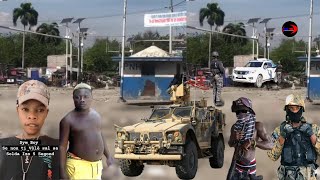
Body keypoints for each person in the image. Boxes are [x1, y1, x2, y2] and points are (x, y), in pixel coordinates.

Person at [0, 80, 59, 180]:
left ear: (46, 113)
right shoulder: (2, 147)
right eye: (25, 109)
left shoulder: (57, 149)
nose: (32, 116)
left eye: (40, 110)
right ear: (18, 110)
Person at [59, 83, 113, 180]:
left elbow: (100, 135)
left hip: (96, 167)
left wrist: (108, 156)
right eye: (78, 97)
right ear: (73, 99)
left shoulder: (96, 115)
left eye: (85, 96)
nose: (82, 100)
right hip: (78, 166)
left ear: (91, 97)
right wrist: (62, 171)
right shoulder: (67, 120)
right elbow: (62, 146)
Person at [267, 94, 320, 180]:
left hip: (308, 176)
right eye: (291, 108)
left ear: (302, 109)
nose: (294, 111)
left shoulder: (314, 129)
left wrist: (311, 135)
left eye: (297, 108)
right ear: (287, 110)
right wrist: (282, 137)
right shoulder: (280, 130)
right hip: (287, 176)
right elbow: (272, 156)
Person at [228, 97, 273, 180]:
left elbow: (270, 145)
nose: (241, 114)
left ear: (249, 111)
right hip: (236, 166)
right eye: (238, 111)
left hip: (249, 169)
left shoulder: (257, 126)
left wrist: (253, 142)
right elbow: (230, 144)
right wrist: (234, 138)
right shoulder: (235, 127)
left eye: (244, 111)